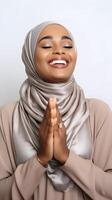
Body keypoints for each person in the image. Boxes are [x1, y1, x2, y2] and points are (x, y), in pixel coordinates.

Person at [0, 21, 112, 200]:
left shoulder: (97, 113)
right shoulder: (8, 116)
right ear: (28, 56)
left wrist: (66, 157)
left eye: (67, 45)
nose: (60, 51)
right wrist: (41, 159)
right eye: (46, 45)